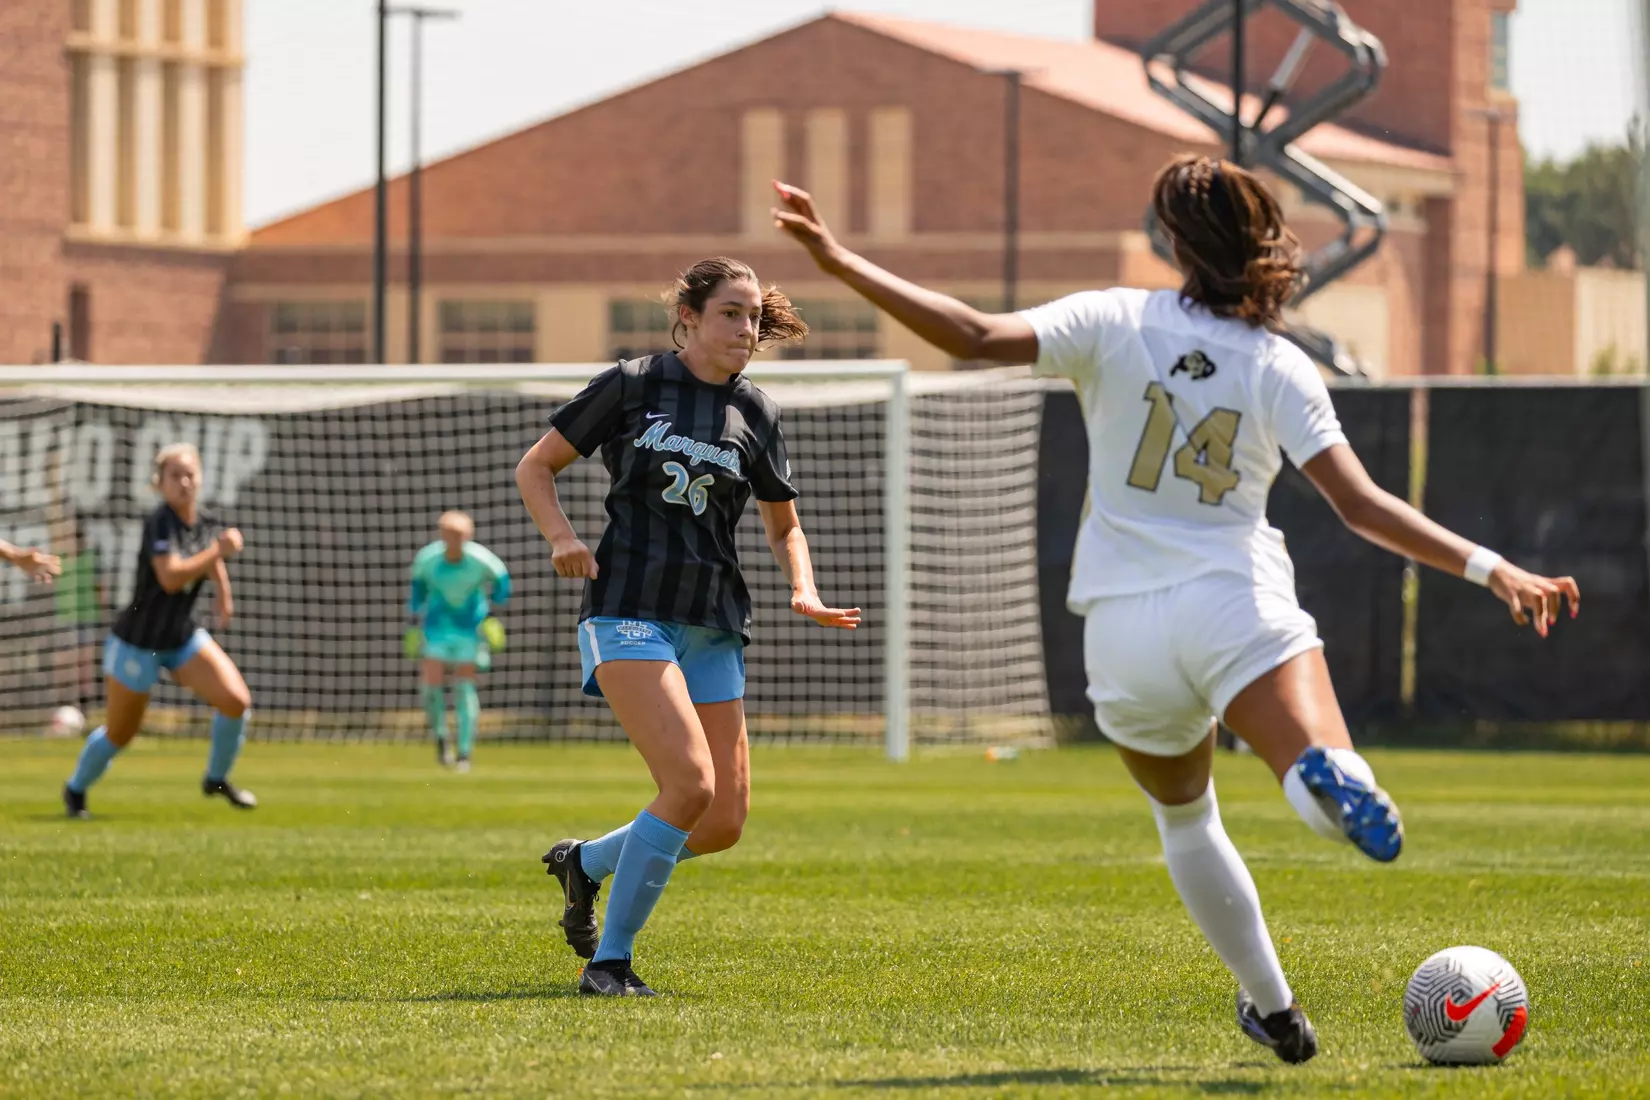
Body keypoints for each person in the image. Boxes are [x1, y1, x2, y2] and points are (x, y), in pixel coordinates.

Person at [773, 157, 1579, 1062]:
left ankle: (1274, 1008)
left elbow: (971, 335)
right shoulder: (1281, 364)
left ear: (1173, 242)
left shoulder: (1114, 317)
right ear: (1264, 245)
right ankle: (1330, 779)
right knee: (1312, 763)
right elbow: (1361, 506)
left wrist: (839, 260)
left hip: (1121, 626)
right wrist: (1490, 565)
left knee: (1187, 819)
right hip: (1230, 599)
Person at [516, 257, 861, 996]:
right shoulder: (634, 384)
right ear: (690, 317)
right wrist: (561, 539)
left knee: (721, 822)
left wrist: (804, 587)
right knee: (688, 785)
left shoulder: (757, 411)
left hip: (713, 621)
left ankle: (584, 863)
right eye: (731, 313)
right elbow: (536, 467)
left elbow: (783, 525)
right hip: (630, 611)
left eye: (753, 316)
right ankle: (608, 964)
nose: (747, 328)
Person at [62, 443, 257, 819]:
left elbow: (208, 555)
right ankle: (75, 789)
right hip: (137, 643)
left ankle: (215, 779)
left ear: (200, 478)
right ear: (160, 483)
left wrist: (224, 591)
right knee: (121, 733)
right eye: (175, 475)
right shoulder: (159, 523)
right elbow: (170, 577)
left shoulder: (205, 520)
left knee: (236, 702)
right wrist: (218, 553)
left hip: (180, 637)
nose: (184, 482)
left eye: (190, 474)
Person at [407, 510, 511, 772]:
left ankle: (465, 751)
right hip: (436, 631)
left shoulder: (481, 559)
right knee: (431, 688)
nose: (454, 539)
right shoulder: (428, 559)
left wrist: (491, 615)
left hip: (469, 631)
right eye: (449, 534)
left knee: (464, 689)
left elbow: (502, 583)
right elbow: (417, 592)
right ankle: (441, 737)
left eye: (459, 535)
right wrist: (412, 624)